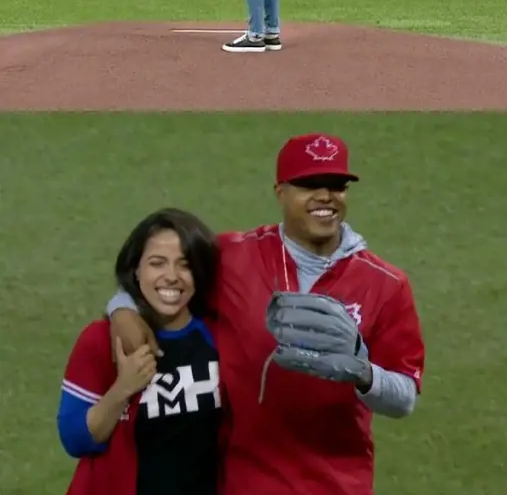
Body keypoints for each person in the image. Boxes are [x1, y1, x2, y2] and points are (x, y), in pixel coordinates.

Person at [106, 133, 426, 495]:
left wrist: (366, 375)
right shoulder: (232, 256)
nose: (325, 196)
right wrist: (124, 310)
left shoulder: (386, 284)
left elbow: (404, 399)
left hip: (337, 485)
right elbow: (157, 281)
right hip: (242, 480)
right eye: (309, 184)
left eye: (336, 185)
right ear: (281, 192)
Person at [58, 208, 222, 495]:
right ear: (136, 270)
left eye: (185, 265)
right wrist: (123, 389)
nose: (171, 277)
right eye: (157, 263)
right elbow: (75, 439)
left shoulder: (220, 337)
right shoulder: (102, 339)